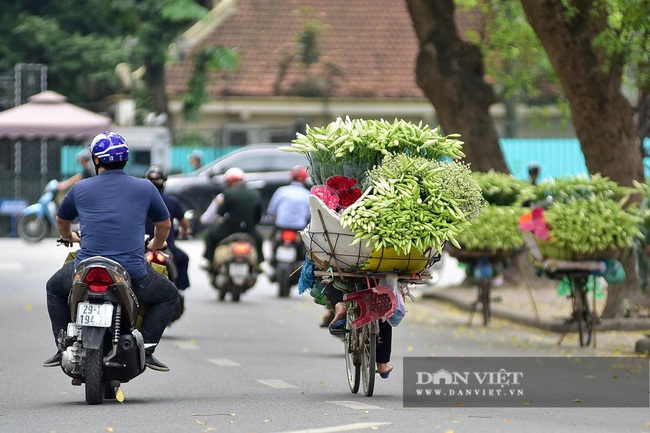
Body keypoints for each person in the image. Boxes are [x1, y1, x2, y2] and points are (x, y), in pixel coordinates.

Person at [44, 131, 178, 372]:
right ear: (125, 159)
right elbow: (164, 224)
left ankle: (63, 346)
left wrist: (67, 238)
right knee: (168, 295)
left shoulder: (80, 188)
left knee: (54, 289)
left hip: (86, 267)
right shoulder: (145, 188)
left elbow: (62, 220)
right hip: (132, 271)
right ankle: (146, 349)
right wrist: (156, 245)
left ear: (96, 160)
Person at [324, 281, 393, 378]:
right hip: (378, 275)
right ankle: (382, 364)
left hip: (347, 272)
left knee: (329, 279)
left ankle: (340, 305)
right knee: (384, 306)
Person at [200, 167, 264, 271]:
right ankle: (259, 264)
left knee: (210, 236)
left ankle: (210, 262)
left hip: (229, 229)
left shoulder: (227, 194)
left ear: (229, 182)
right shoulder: (255, 194)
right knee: (259, 239)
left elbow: (220, 213)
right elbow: (258, 217)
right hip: (249, 230)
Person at [144, 165, 191, 291]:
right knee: (184, 259)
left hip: (141, 246)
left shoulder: (137, 200)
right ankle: (179, 291)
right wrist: (185, 232)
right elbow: (184, 224)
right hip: (166, 247)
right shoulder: (172, 201)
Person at [266, 165, 311, 266]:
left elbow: (271, 210)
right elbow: (310, 215)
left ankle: (272, 259)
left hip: (281, 226)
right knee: (304, 250)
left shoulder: (281, 191)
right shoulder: (307, 194)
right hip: (299, 228)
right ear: (304, 180)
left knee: (273, 241)